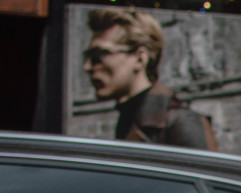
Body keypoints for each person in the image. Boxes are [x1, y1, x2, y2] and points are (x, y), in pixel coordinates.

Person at [83, 8, 218, 151]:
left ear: (140, 58)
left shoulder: (182, 123)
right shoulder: (132, 118)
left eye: (98, 55)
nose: (87, 66)